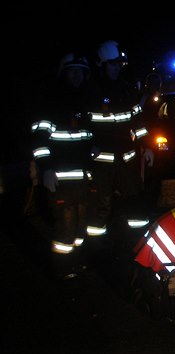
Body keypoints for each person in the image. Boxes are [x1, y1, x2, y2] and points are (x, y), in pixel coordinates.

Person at [85, 39, 154, 257]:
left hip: (127, 158)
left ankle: (137, 245)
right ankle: (97, 251)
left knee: (135, 204)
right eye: (112, 64)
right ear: (102, 64)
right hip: (101, 161)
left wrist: (147, 145)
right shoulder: (90, 91)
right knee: (100, 206)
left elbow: (137, 120)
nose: (116, 68)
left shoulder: (125, 89)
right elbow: (82, 125)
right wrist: (88, 148)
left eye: (118, 64)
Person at [29, 52, 94, 279]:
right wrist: (45, 168)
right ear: (64, 73)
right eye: (72, 71)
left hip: (81, 177)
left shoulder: (85, 101)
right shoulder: (51, 102)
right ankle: (62, 269)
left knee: (80, 225)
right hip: (59, 176)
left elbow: (88, 138)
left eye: (80, 72)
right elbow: (39, 140)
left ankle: (76, 263)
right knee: (65, 224)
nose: (77, 76)